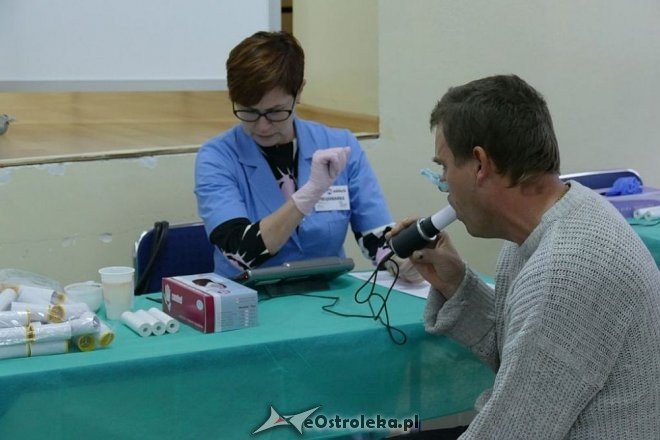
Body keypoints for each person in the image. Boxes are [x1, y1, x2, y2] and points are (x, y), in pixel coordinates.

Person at [388, 75, 660, 439]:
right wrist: (457, 284)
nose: (444, 183)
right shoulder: (559, 216)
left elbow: (512, 429)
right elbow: (525, 354)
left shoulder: (567, 270)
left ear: (480, 164)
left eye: (445, 167)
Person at [195, 31, 420, 282]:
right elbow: (240, 250)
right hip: (248, 297)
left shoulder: (341, 145)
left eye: (275, 112)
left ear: (299, 91)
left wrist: (403, 259)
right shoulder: (216, 157)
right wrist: (309, 194)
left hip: (329, 294)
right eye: (248, 111)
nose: (262, 126)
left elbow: (375, 238)